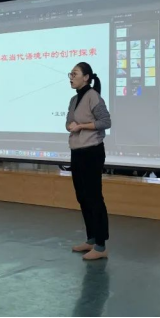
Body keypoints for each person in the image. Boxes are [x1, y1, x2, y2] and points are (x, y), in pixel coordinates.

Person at [66, 62, 112, 261]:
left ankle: (101, 246)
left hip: (92, 152)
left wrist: (81, 126)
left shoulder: (93, 96)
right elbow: (68, 122)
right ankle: (91, 239)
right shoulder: (74, 99)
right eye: (70, 74)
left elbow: (106, 122)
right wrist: (71, 125)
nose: (71, 77)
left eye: (74, 74)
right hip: (77, 152)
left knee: (94, 197)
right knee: (82, 197)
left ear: (86, 77)